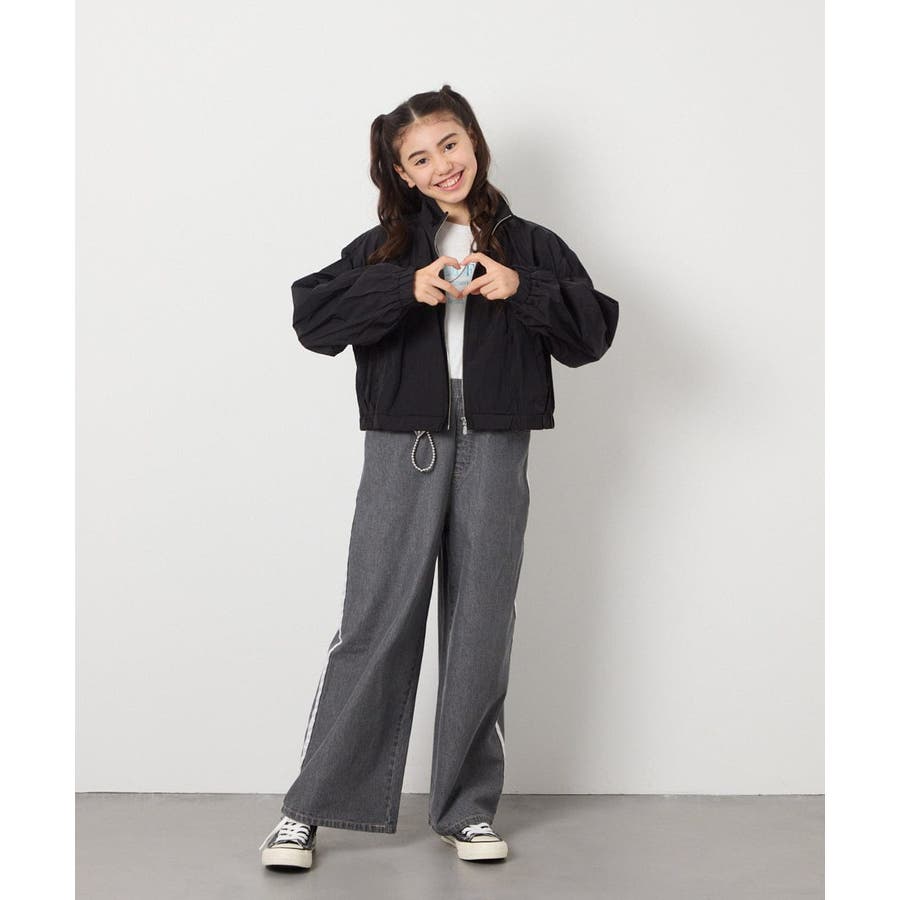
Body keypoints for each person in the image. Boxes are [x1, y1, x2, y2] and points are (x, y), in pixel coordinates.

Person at [259, 84, 619, 870]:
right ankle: (308, 809)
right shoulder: (384, 250)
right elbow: (312, 320)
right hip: (406, 443)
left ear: (474, 142)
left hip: (496, 444)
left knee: (481, 624)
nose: (441, 165)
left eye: (449, 144)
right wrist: (404, 287)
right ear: (403, 175)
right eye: (419, 158)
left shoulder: (533, 247)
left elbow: (592, 334)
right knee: (375, 620)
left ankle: (465, 810)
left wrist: (522, 287)